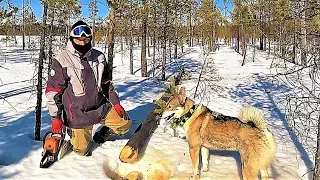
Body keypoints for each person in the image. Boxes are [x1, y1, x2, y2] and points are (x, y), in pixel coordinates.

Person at [45, 20, 132, 156]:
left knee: (124, 124)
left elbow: (106, 84)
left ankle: (102, 133)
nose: (82, 43)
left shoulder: (99, 57)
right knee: (81, 151)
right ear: (72, 39)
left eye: (86, 39)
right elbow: (53, 92)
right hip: (77, 114)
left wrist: (116, 103)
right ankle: (74, 136)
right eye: (78, 40)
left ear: (90, 39)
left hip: (100, 108)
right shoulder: (62, 60)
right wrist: (56, 118)